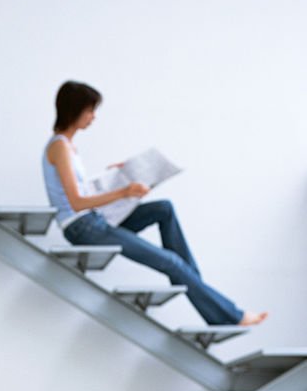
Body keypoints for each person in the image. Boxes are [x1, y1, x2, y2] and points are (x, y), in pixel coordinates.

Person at [42, 80, 267, 327]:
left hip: (93, 221)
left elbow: (78, 190)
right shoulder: (60, 147)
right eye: (90, 110)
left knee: (164, 209)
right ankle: (230, 314)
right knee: (171, 262)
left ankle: (197, 287)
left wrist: (117, 176)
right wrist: (124, 191)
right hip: (83, 227)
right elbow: (76, 202)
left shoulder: (69, 147)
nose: (93, 117)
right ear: (74, 110)